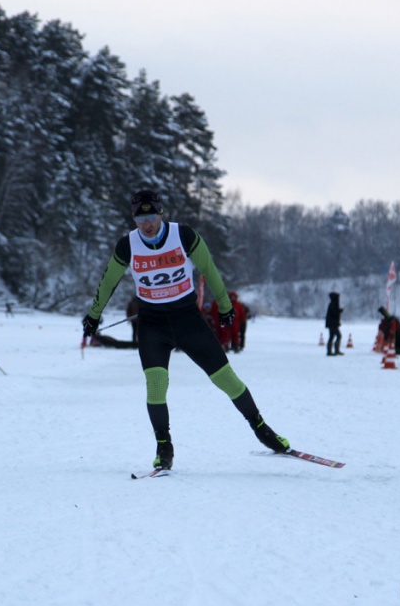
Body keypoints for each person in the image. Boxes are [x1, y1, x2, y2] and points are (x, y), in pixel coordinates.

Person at [82, 189, 290, 471]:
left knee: (226, 378)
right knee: (156, 385)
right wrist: (94, 315)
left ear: (161, 213)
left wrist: (225, 306)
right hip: (152, 325)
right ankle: (163, 446)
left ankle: (262, 428)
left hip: (187, 320)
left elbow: (209, 269)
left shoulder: (183, 236)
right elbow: (109, 282)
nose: (147, 224)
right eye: (140, 219)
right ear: (133, 219)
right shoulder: (127, 245)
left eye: (151, 217)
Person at [325, 292, 344, 356]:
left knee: (331, 337)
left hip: (331, 323)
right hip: (333, 324)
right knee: (338, 336)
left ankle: (330, 351)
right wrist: (340, 311)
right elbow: (334, 313)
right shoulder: (334, 304)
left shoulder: (332, 304)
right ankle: (335, 351)